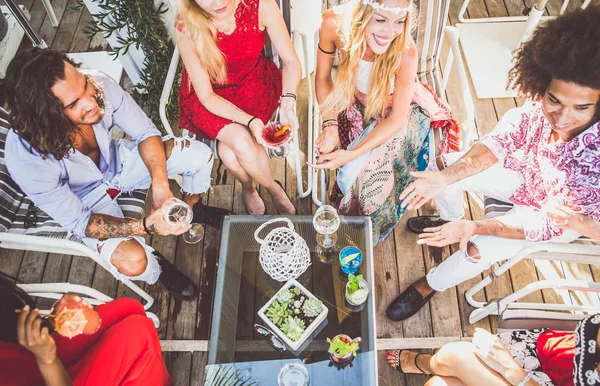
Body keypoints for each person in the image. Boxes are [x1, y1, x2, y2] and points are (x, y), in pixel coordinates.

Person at [386, 5, 600, 321]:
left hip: (558, 217)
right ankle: (449, 218)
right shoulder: (542, 101)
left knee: (475, 249)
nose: (563, 118)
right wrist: (445, 179)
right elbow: (500, 142)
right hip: (528, 175)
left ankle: (428, 285)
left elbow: (543, 224)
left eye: (581, 108)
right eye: (554, 100)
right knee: (444, 164)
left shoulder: (592, 163)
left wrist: (475, 227)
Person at [0, 48, 220, 300]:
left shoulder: (98, 84)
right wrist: (145, 226)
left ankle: (195, 207)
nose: (92, 101)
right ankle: (158, 270)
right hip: (85, 200)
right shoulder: (27, 159)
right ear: (45, 117)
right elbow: (81, 222)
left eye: (84, 85)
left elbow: (145, 133)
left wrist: (160, 183)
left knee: (199, 154)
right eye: (73, 104)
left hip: (118, 163)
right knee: (134, 261)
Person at [310, 0, 460, 243]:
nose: (390, 33)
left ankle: (366, 235)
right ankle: (353, 225)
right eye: (380, 20)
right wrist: (330, 124)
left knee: (362, 181)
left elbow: (397, 118)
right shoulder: (332, 24)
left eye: (399, 22)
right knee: (348, 176)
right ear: (362, 13)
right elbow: (324, 78)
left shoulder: (405, 52)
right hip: (357, 102)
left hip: (399, 112)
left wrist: (351, 154)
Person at [175, 0, 302, 215]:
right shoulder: (187, 24)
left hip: (251, 85)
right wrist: (249, 121)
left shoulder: (260, 5)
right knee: (241, 142)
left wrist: (289, 102)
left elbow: (290, 61)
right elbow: (206, 95)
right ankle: (274, 190)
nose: (216, 3)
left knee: (229, 153)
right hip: (210, 98)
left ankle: (248, 188)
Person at [0, 274, 171, 385]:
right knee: (138, 333)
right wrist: (47, 360)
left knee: (129, 307)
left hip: (25, 358)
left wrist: (57, 320)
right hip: (49, 374)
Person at [386, 315, 600, 386]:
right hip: (541, 350)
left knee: (451, 361)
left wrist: (515, 373)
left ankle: (424, 363)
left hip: (535, 381)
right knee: (444, 371)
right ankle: (427, 364)